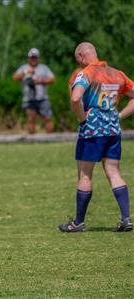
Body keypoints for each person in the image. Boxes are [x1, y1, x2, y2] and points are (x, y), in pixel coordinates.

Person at [58, 42, 134, 233]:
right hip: (113, 131)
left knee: (85, 174)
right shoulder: (117, 73)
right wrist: (119, 116)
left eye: (78, 60)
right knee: (114, 172)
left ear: (82, 56)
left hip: (92, 131)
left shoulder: (86, 73)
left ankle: (78, 223)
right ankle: (126, 218)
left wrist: (82, 118)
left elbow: (75, 98)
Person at [13, 48, 55, 134]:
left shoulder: (44, 68)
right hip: (29, 99)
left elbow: (52, 79)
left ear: (38, 58)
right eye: (32, 57)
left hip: (43, 98)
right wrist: (25, 72)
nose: (33, 59)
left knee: (47, 118)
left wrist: (41, 81)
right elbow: (15, 77)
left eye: (35, 57)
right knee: (31, 119)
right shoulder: (24, 68)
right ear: (28, 58)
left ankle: (50, 139)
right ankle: (32, 141)